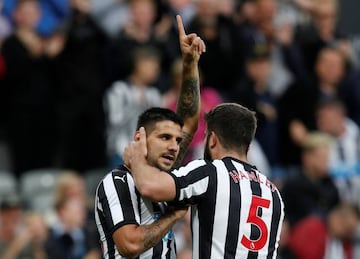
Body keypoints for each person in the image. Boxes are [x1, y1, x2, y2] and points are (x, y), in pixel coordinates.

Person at [94, 15, 205, 258]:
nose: (175, 146)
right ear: (140, 137)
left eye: (177, 140)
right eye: (164, 137)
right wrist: (172, 216)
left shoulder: (163, 179)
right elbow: (129, 245)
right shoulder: (117, 182)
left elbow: (188, 120)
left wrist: (189, 64)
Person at [124, 103, 285, 258]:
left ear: (212, 139)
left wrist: (136, 155)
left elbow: (148, 186)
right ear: (248, 147)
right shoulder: (273, 193)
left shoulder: (210, 172)